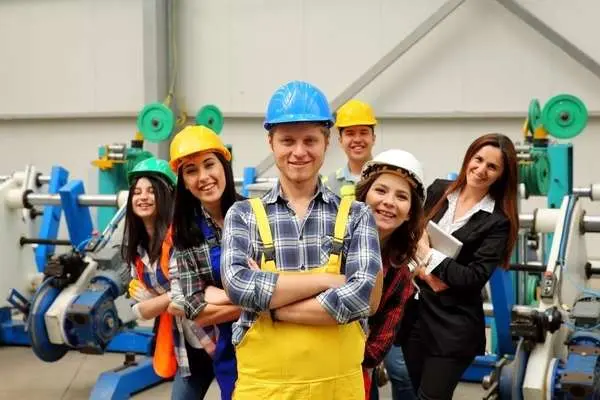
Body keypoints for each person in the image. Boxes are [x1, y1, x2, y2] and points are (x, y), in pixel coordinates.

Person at [221, 80, 384, 399]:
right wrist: (328, 280)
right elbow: (239, 286)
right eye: (287, 140)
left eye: (310, 140)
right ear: (271, 142)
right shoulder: (243, 215)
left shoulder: (357, 216)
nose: (299, 151)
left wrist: (273, 309)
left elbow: (361, 297)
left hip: (337, 390)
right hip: (264, 391)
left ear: (326, 142)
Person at [400, 133, 519, 400]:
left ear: (502, 175)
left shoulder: (498, 221)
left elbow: (472, 278)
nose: (481, 169)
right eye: (478, 159)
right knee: (418, 392)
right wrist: (430, 275)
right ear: (468, 158)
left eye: (492, 166)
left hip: (453, 328)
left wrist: (426, 254)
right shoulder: (438, 190)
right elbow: (409, 234)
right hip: (415, 319)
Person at [122, 157, 218, 399]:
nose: (143, 197)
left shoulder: (181, 235)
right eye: (137, 192)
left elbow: (184, 292)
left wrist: (146, 307)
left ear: (167, 195)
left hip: (217, 336)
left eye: (151, 191)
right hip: (186, 344)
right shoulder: (138, 249)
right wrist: (154, 300)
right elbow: (144, 291)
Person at [169, 124, 243, 400]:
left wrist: (215, 294)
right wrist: (252, 299)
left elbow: (281, 283)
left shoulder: (256, 214)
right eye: (191, 171)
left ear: (224, 166)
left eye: (209, 164)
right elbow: (193, 306)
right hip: (230, 353)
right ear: (184, 182)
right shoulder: (186, 233)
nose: (203, 177)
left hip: (276, 342)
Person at [354, 149, 426, 400]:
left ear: (410, 213)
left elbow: (378, 346)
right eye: (381, 190)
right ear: (364, 195)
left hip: (352, 372)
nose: (389, 202)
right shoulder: (332, 241)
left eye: (401, 196)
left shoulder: (400, 274)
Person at [323, 99, 377, 199]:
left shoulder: (387, 178)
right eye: (350, 133)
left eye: (363, 132)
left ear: (373, 138)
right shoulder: (328, 185)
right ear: (340, 141)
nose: (357, 139)